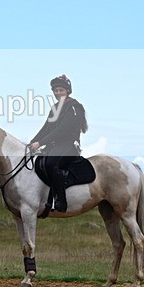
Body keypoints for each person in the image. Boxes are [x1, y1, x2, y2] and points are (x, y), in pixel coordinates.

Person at [29, 74, 88, 213]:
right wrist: (32, 142)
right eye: (55, 91)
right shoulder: (55, 108)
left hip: (68, 145)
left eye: (61, 90)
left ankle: (61, 201)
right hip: (54, 145)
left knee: (50, 163)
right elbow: (45, 128)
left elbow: (62, 130)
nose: (57, 93)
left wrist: (41, 143)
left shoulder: (74, 107)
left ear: (67, 91)